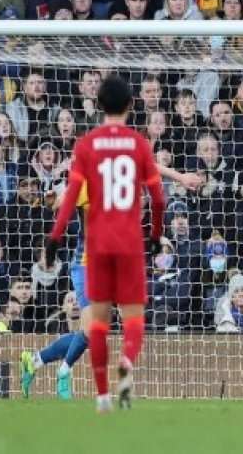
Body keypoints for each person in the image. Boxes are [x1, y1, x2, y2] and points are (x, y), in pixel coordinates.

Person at [44, 74, 165, 414]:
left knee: (97, 322)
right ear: (131, 105)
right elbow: (158, 200)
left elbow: (68, 201)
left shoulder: (85, 145)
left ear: (98, 105)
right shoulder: (139, 144)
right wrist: (155, 236)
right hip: (128, 243)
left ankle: (102, 396)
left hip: (95, 246)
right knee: (133, 320)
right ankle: (126, 364)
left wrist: (54, 237)